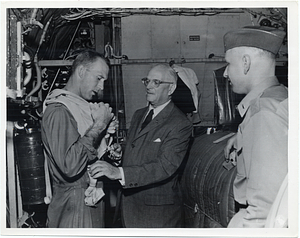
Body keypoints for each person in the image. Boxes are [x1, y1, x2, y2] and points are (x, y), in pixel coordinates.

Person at [88, 64, 193, 228]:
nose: (149, 86)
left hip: (157, 215)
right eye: (147, 81)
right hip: (129, 208)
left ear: (171, 88)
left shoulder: (179, 124)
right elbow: (139, 147)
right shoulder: (139, 114)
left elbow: (165, 167)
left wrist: (119, 172)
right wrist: (120, 152)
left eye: (156, 82)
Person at [41, 50, 117, 228]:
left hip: (89, 198)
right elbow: (70, 166)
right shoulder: (59, 110)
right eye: (99, 78)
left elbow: (88, 152)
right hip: (74, 205)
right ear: (81, 71)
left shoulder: (80, 108)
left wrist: (108, 142)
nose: (102, 87)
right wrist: (98, 125)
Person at [223, 26, 288, 228]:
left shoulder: (264, 114)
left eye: (228, 64)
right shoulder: (280, 96)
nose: (225, 73)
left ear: (245, 63)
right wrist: (242, 135)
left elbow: (264, 214)